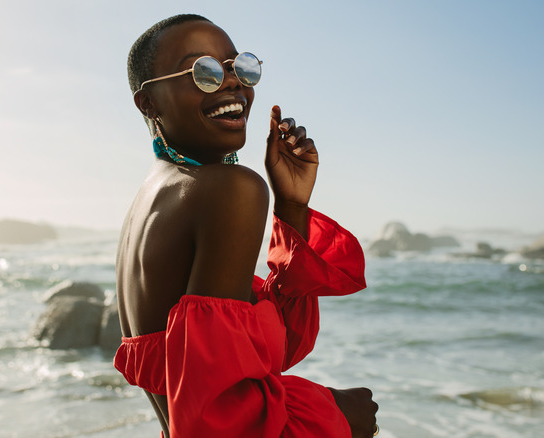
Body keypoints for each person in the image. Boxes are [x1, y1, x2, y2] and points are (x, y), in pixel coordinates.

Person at [114, 14, 379, 438]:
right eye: (204, 72)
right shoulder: (230, 189)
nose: (233, 83)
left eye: (240, 68)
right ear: (149, 103)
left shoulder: (150, 202)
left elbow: (258, 351)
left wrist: (291, 207)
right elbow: (222, 423)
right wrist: (339, 416)